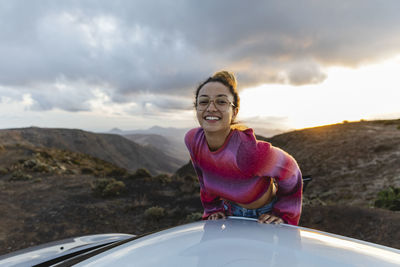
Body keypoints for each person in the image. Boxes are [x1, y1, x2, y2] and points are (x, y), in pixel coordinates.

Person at [184, 70, 303, 225]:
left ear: (234, 112)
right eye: (204, 101)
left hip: (262, 216)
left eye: (221, 102)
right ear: (197, 108)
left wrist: (283, 212)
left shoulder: (247, 152)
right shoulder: (193, 140)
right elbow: (204, 177)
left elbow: (291, 170)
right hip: (229, 211)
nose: (211, 108)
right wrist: (214, 209)